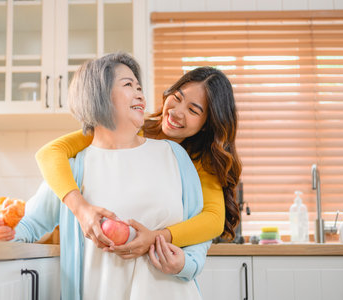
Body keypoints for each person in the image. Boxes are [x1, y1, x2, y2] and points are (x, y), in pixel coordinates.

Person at [0, 53, 210, 300]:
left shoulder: (174, 155)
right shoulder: (73, 169)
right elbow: (29, 225)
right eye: (128, 85)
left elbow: (198, 231)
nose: (140, 94)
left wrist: (185, 264)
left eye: (139, 87)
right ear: (98, 94)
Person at [35, 65, 242, 259]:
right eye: (177, 97)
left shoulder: (200, 161)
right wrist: (81, 208)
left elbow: (213, 219)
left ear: (208, 124)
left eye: (193, 110)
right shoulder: (132, 126)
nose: (177, 112)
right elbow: (50, 152)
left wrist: (157, 237)